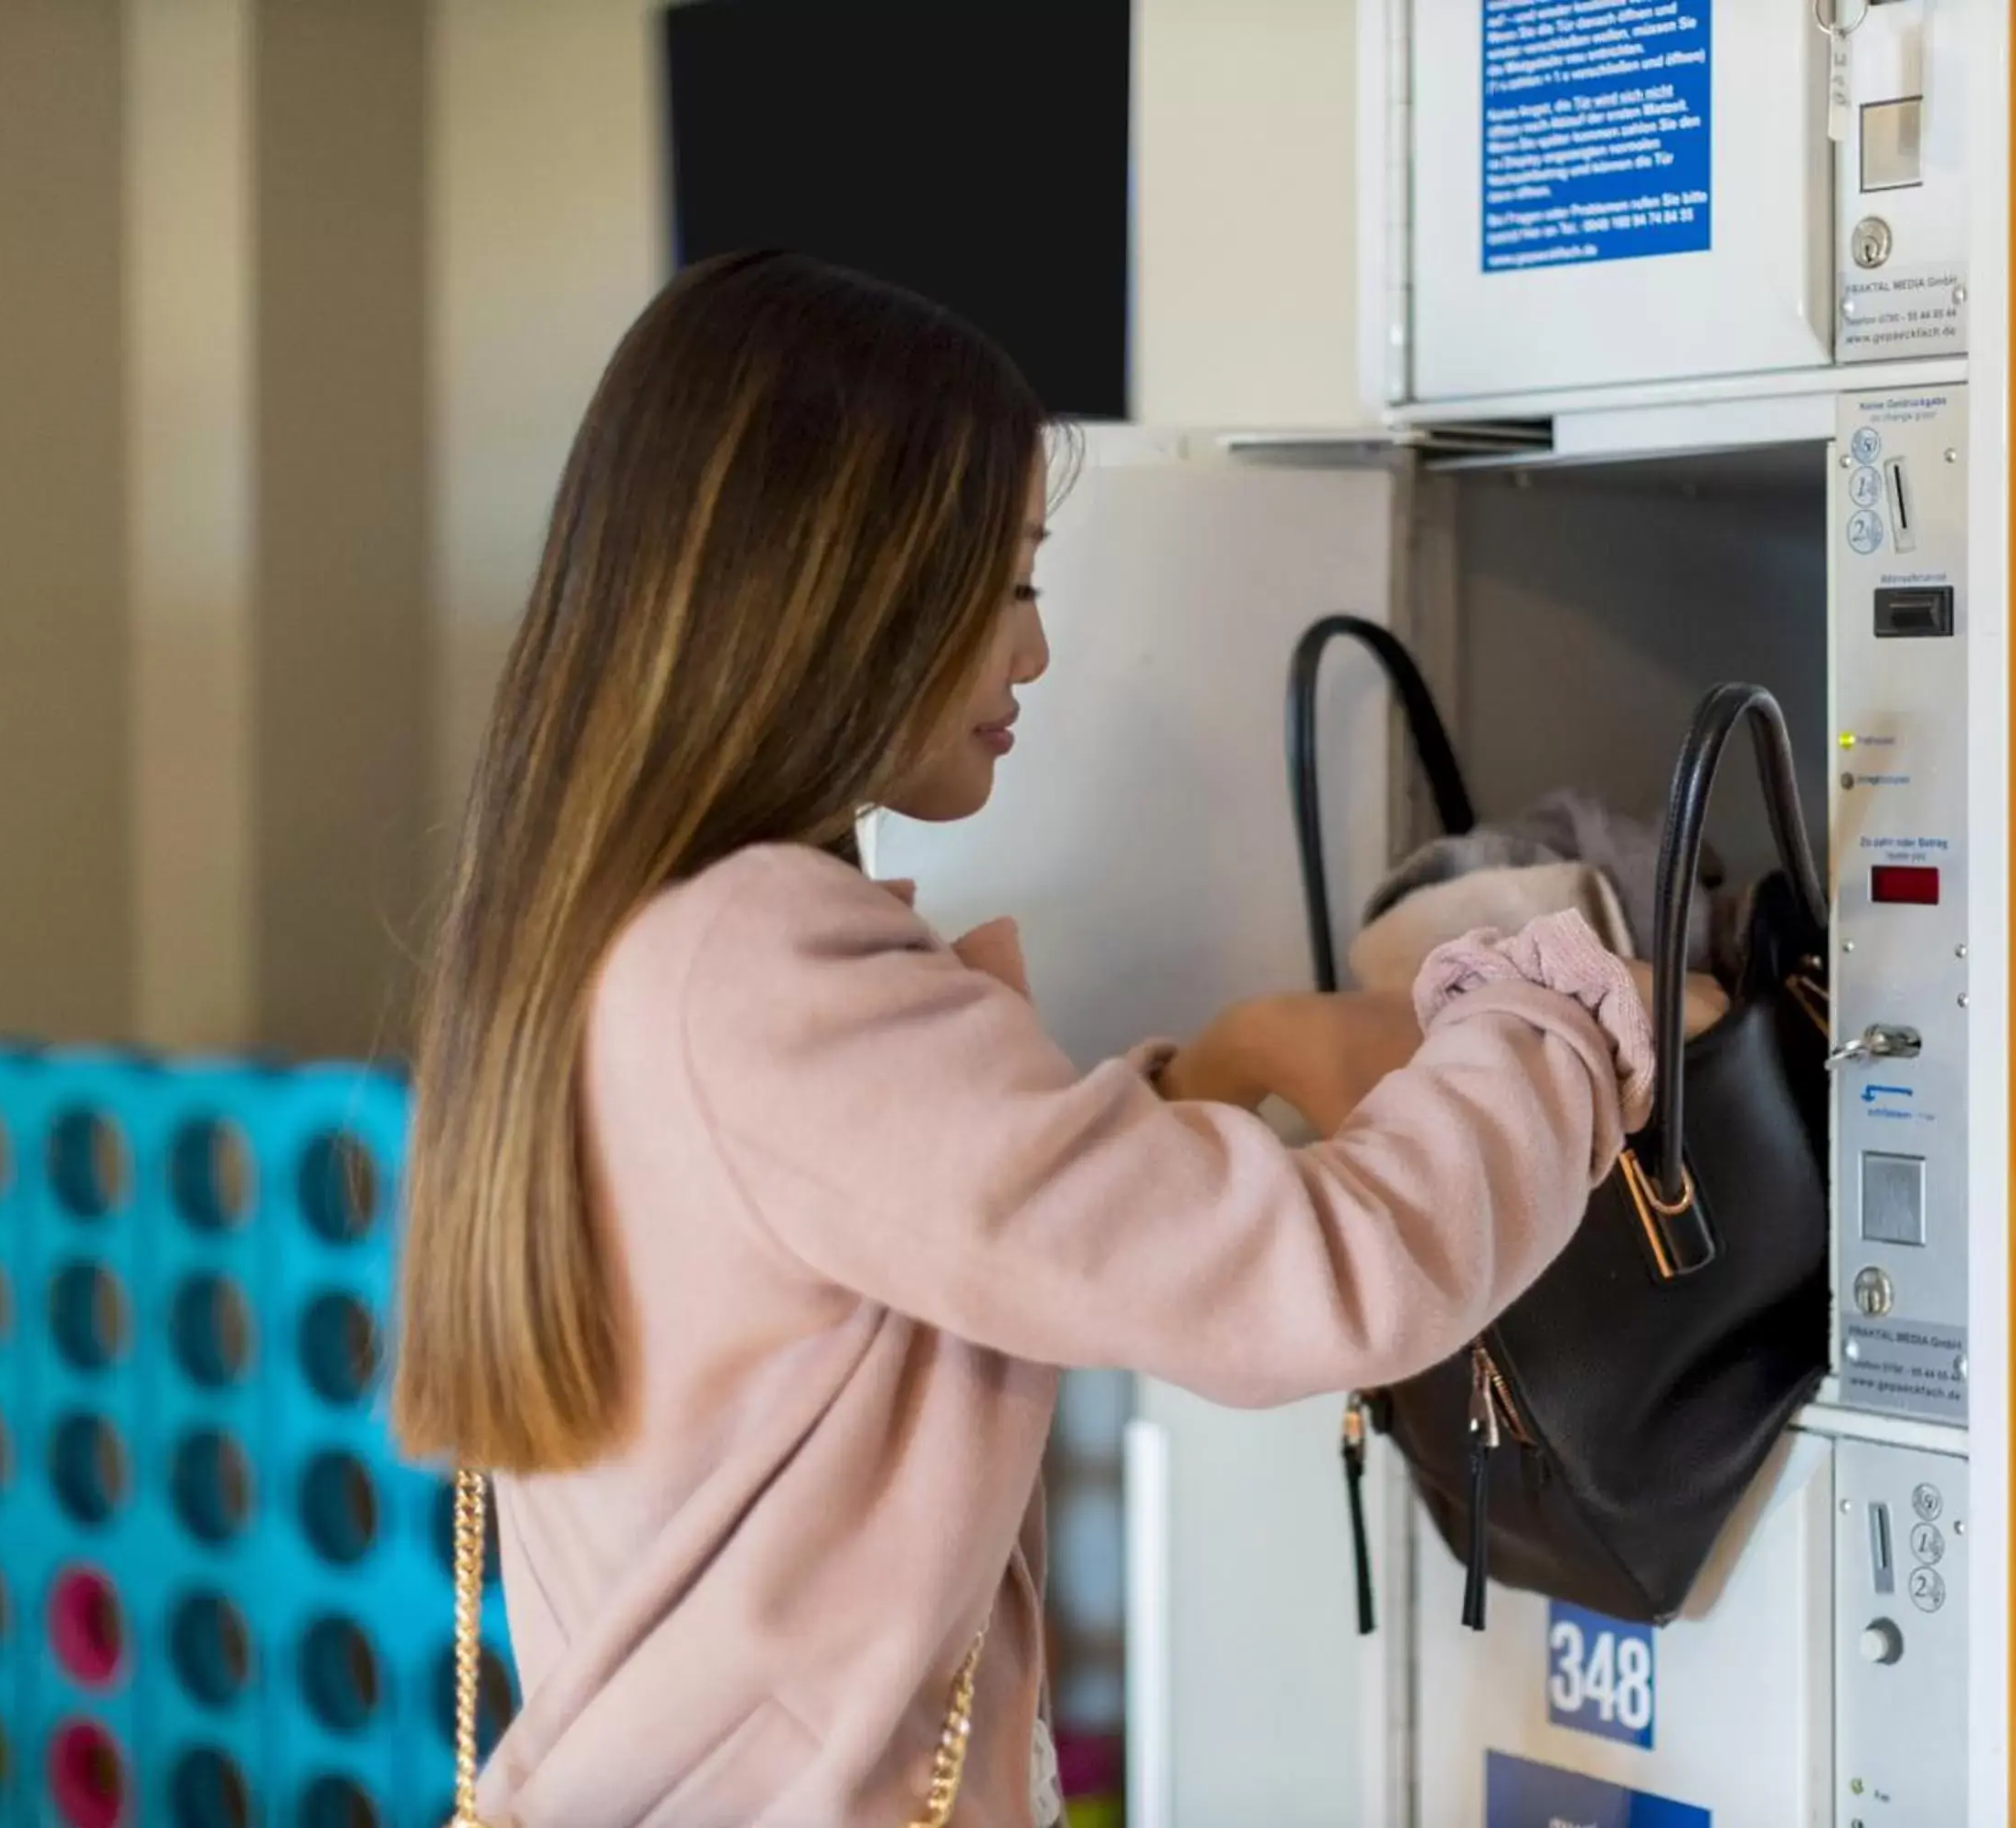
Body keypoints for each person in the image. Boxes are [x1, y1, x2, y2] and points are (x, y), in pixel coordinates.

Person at [390, 250, 1657, 1826]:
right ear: (845, 592)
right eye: (1013, 587)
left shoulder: (611, 942)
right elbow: (1337, 1275)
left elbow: (892, 1246)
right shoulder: (762, 968)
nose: (1036, 656)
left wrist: (1225, 1064)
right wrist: (1558, 1008)